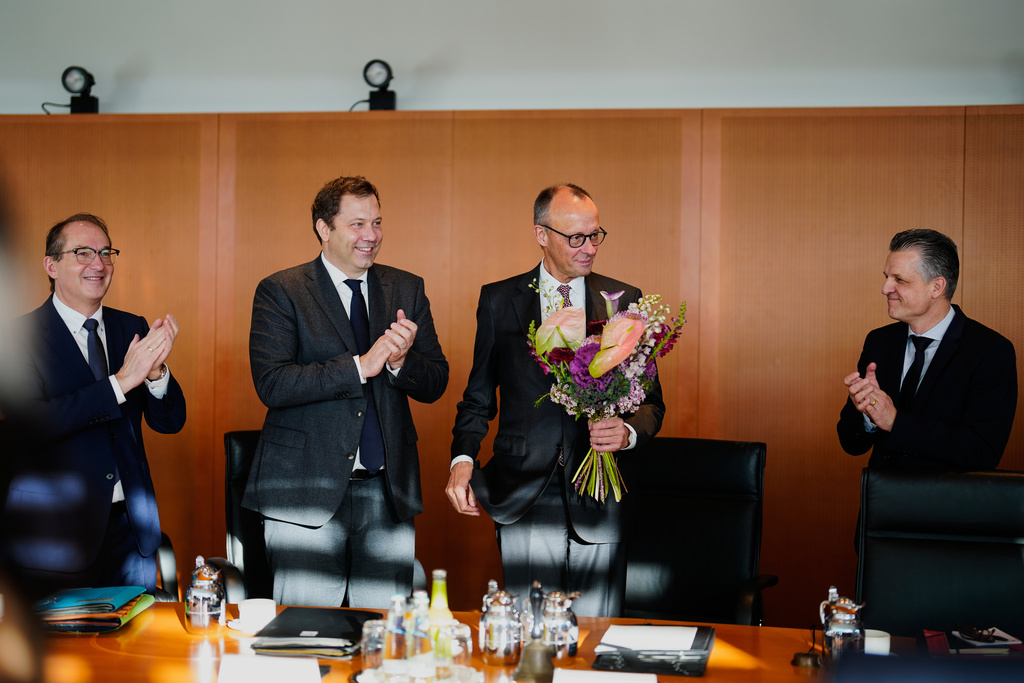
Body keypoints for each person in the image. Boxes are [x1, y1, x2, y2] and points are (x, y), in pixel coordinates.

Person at [446, 184, 665, 617]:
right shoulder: (498, 300)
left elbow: (651, 403)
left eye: (596, 235)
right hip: (524, 491)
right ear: (541, 234)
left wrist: (627, 433)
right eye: (576, 238)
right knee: (532, 641)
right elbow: (477, 398)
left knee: (595, 637)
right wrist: (462, 460)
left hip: (601, 490)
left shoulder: (624, 300)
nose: (589, 248)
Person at [244, 175, 448, 608]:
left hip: (386, 492)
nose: (371, 236)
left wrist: (398, 363)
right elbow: (273, 383)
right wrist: (360, 366)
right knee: (305, 638)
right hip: (304, 494)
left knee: (383, 638)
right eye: (357, 225)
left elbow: (436, 382)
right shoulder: (282, 291)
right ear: (324, 228)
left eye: (376, 222)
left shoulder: (406, 287)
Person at [0, 213, 186, 598]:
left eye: (105, 252)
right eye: (83, 252)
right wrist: (119, 383)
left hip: (131, 531)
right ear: (51, 265)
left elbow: (170, 422)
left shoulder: (129, 327)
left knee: (135, 649)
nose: (98, 264)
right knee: (63, 655)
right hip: (54, 534)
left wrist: (155, 374)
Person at [838, 229, 1017, 470]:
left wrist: (895, 421)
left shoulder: (990, 350)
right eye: (887, 277)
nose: (885, 288)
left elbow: (982, 452)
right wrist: (868, 416)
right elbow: (851, 443)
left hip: (945, 505)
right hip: (882, 503)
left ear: (937, 287)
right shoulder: (879, 341)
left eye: (899, 280)